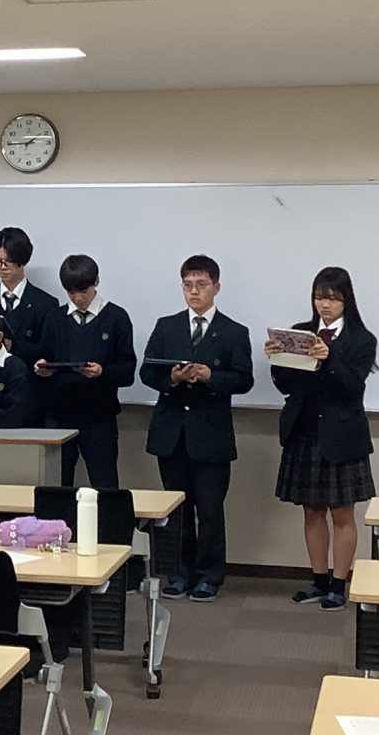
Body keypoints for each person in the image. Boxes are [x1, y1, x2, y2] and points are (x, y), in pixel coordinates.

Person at [139, 255, 254, 602]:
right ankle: (179, 573)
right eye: (188, 285)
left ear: (216, 287)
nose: (194, 291)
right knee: (177, 509)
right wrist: (173, 378)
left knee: (209, 510)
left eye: (201, 285)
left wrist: (211, 376)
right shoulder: (166, 326)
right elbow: (147, 372)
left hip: (211, 435)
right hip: (172, 433)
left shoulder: (234, 331)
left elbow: (245, 379)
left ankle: (209, 576)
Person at [265, 267, 378, 611]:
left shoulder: (361, 339)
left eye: (332, 298)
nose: (324, 305)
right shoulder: (301, 332)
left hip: (341, 435)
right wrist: (277, 359)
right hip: (304, 431)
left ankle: (339, 584)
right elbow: (287, 386)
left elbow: (352, 389)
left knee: (342, 513)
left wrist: (329, 359)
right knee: (312, 511)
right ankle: (318, 580)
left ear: (346, 300)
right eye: (319, 297)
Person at [34, 254, 136, 489]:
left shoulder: (116, 318)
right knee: (57, 485)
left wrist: (103, 372)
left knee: (105, 485)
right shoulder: (55, 318)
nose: (78, 298)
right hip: (59, 416)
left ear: (96, 282)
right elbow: (44, 358)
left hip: (99, 417)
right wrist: (43, 369)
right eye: (71, 293)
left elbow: (127, 371)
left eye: (83, 291)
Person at [0, 227, 59, 423]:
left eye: (9, 261)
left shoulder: (45, 303)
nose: (2, 267)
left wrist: (12, 346)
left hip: (31, 401)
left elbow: (49, 352)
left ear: (23, 260)